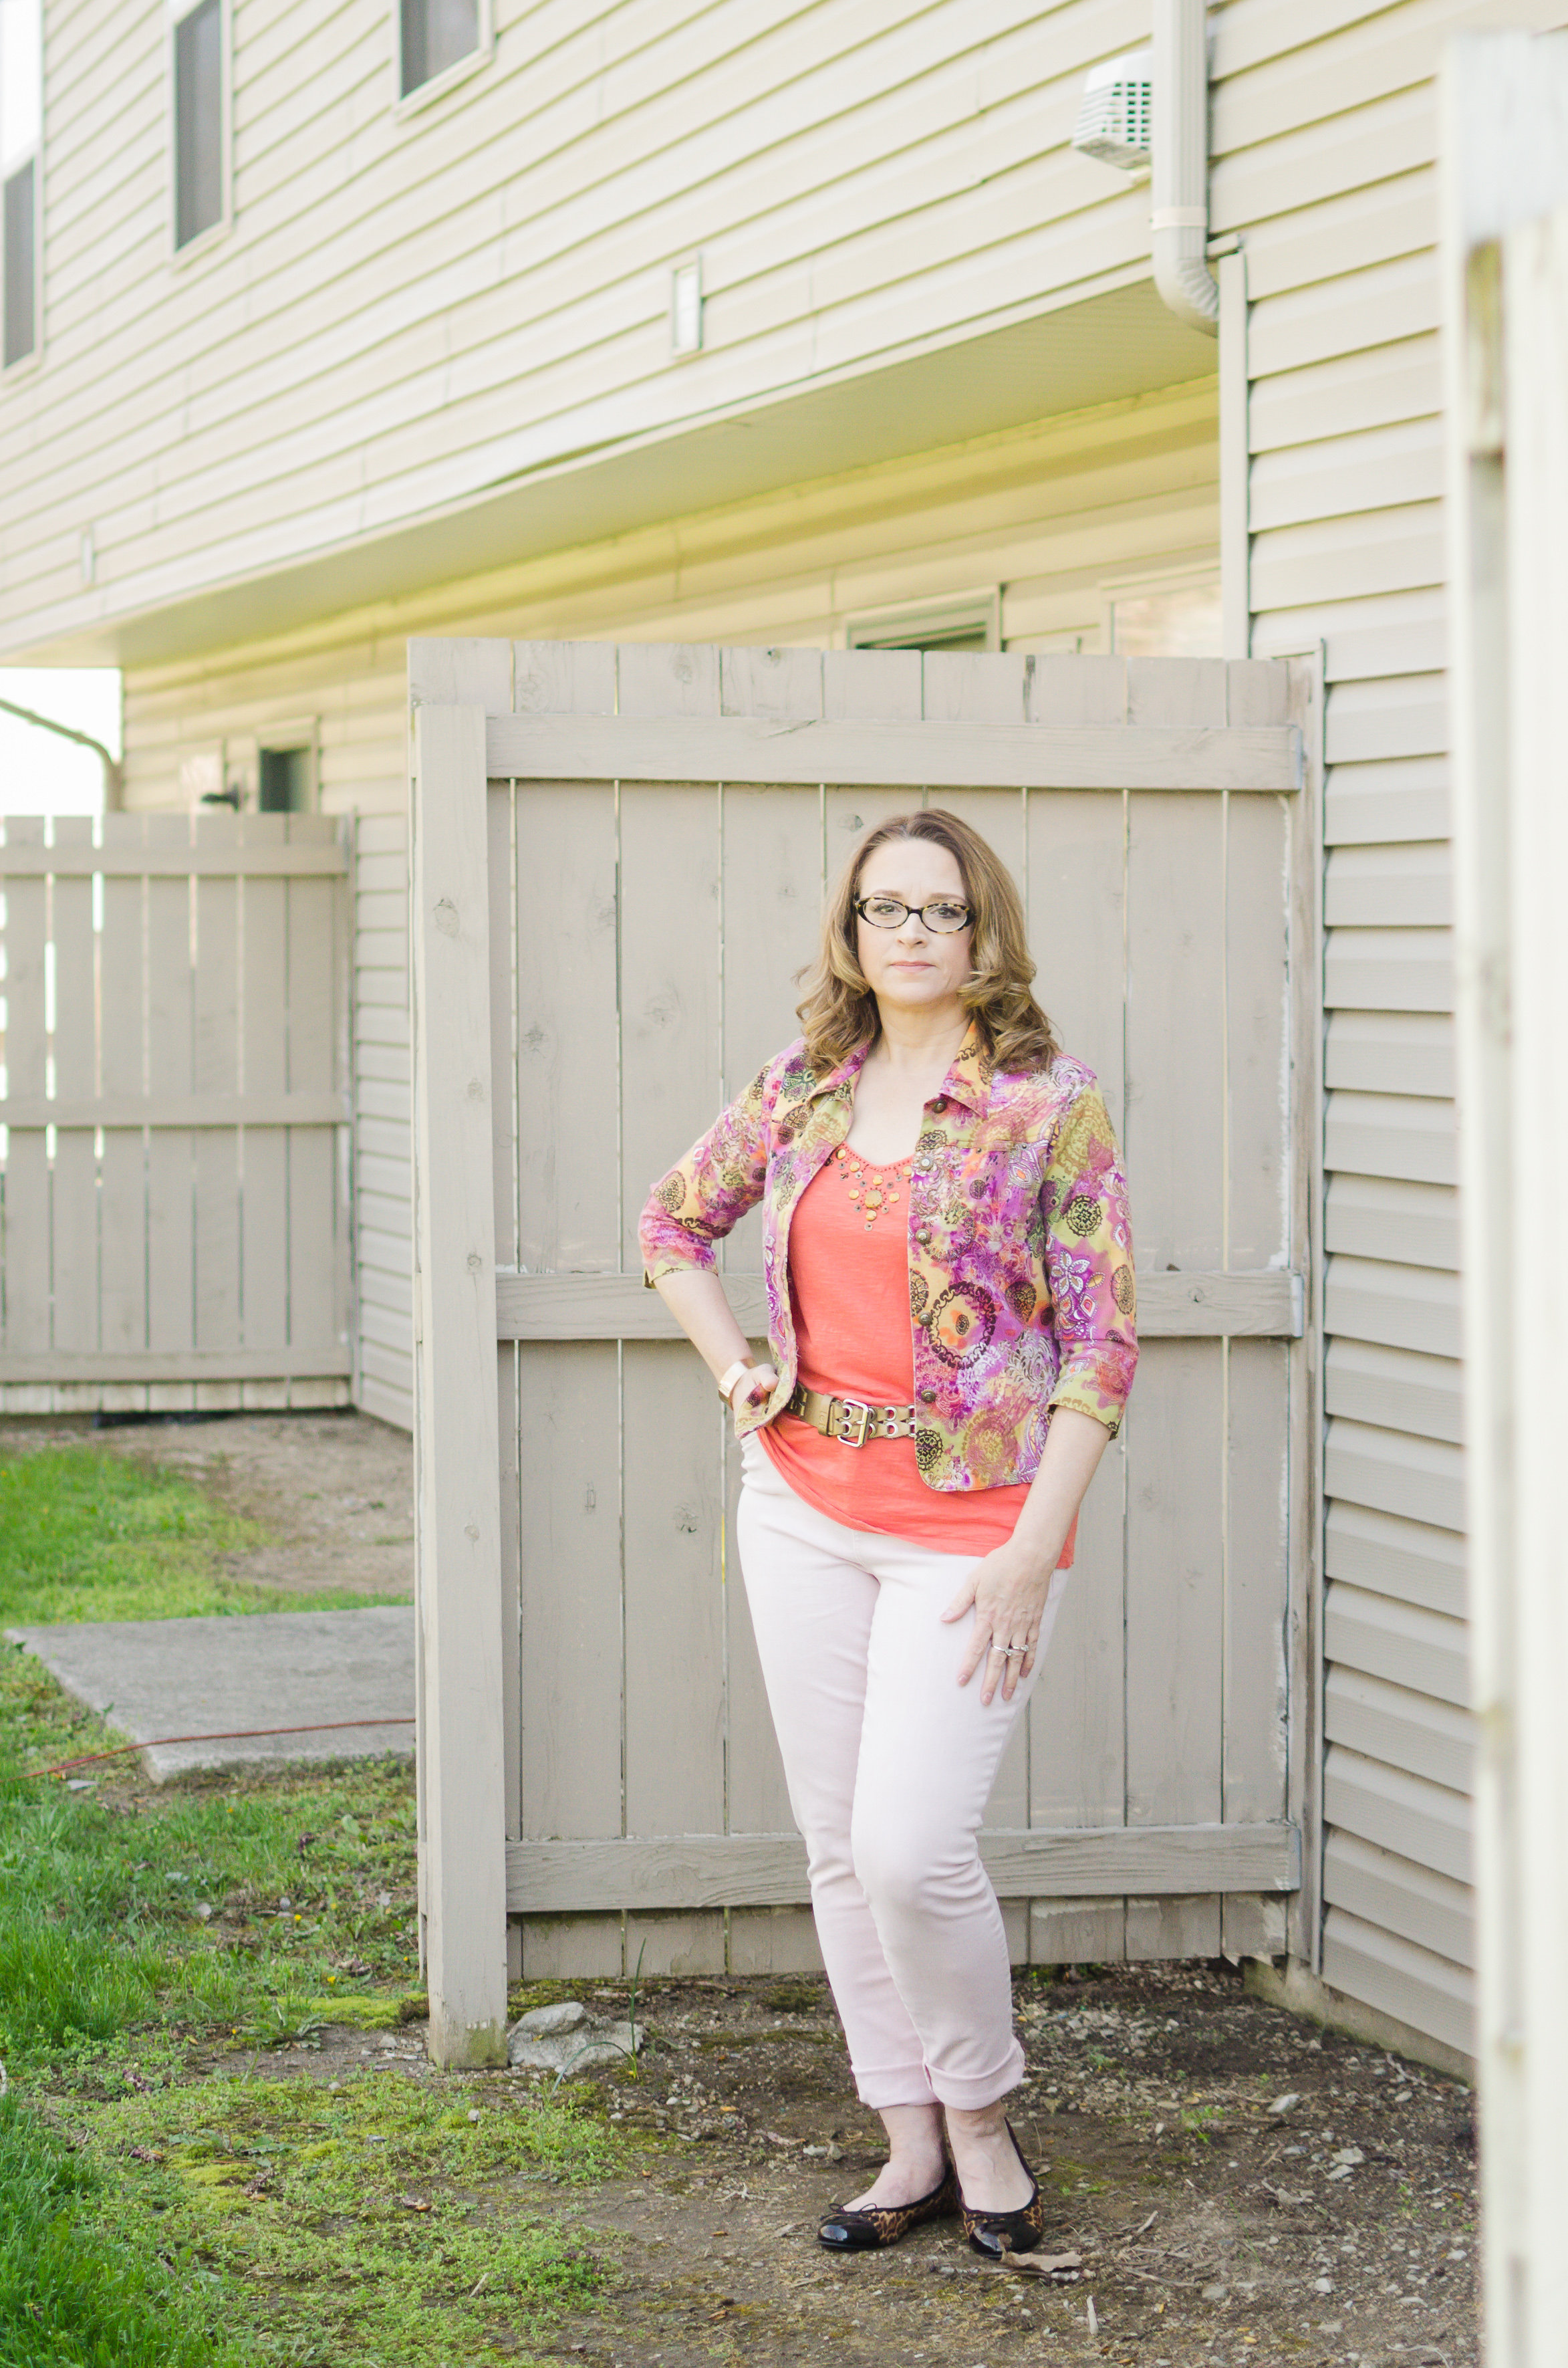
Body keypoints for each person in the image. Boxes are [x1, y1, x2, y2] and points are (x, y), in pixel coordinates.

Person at [638, 808, 1137, 2260]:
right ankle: (906, 2131)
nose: (911, 933)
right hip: (800, 1501)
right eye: (884, 908)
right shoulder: (802, 1082)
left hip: (974, 1531)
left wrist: (1033, 1549)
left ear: (985, 932)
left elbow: (1103, 1344)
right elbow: (671, 1227)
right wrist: (735, 1366)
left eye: (940, 909)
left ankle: (982, 2116)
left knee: (911, 1845)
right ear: (850, 931)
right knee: (838, 1845)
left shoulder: (1049, 1102)